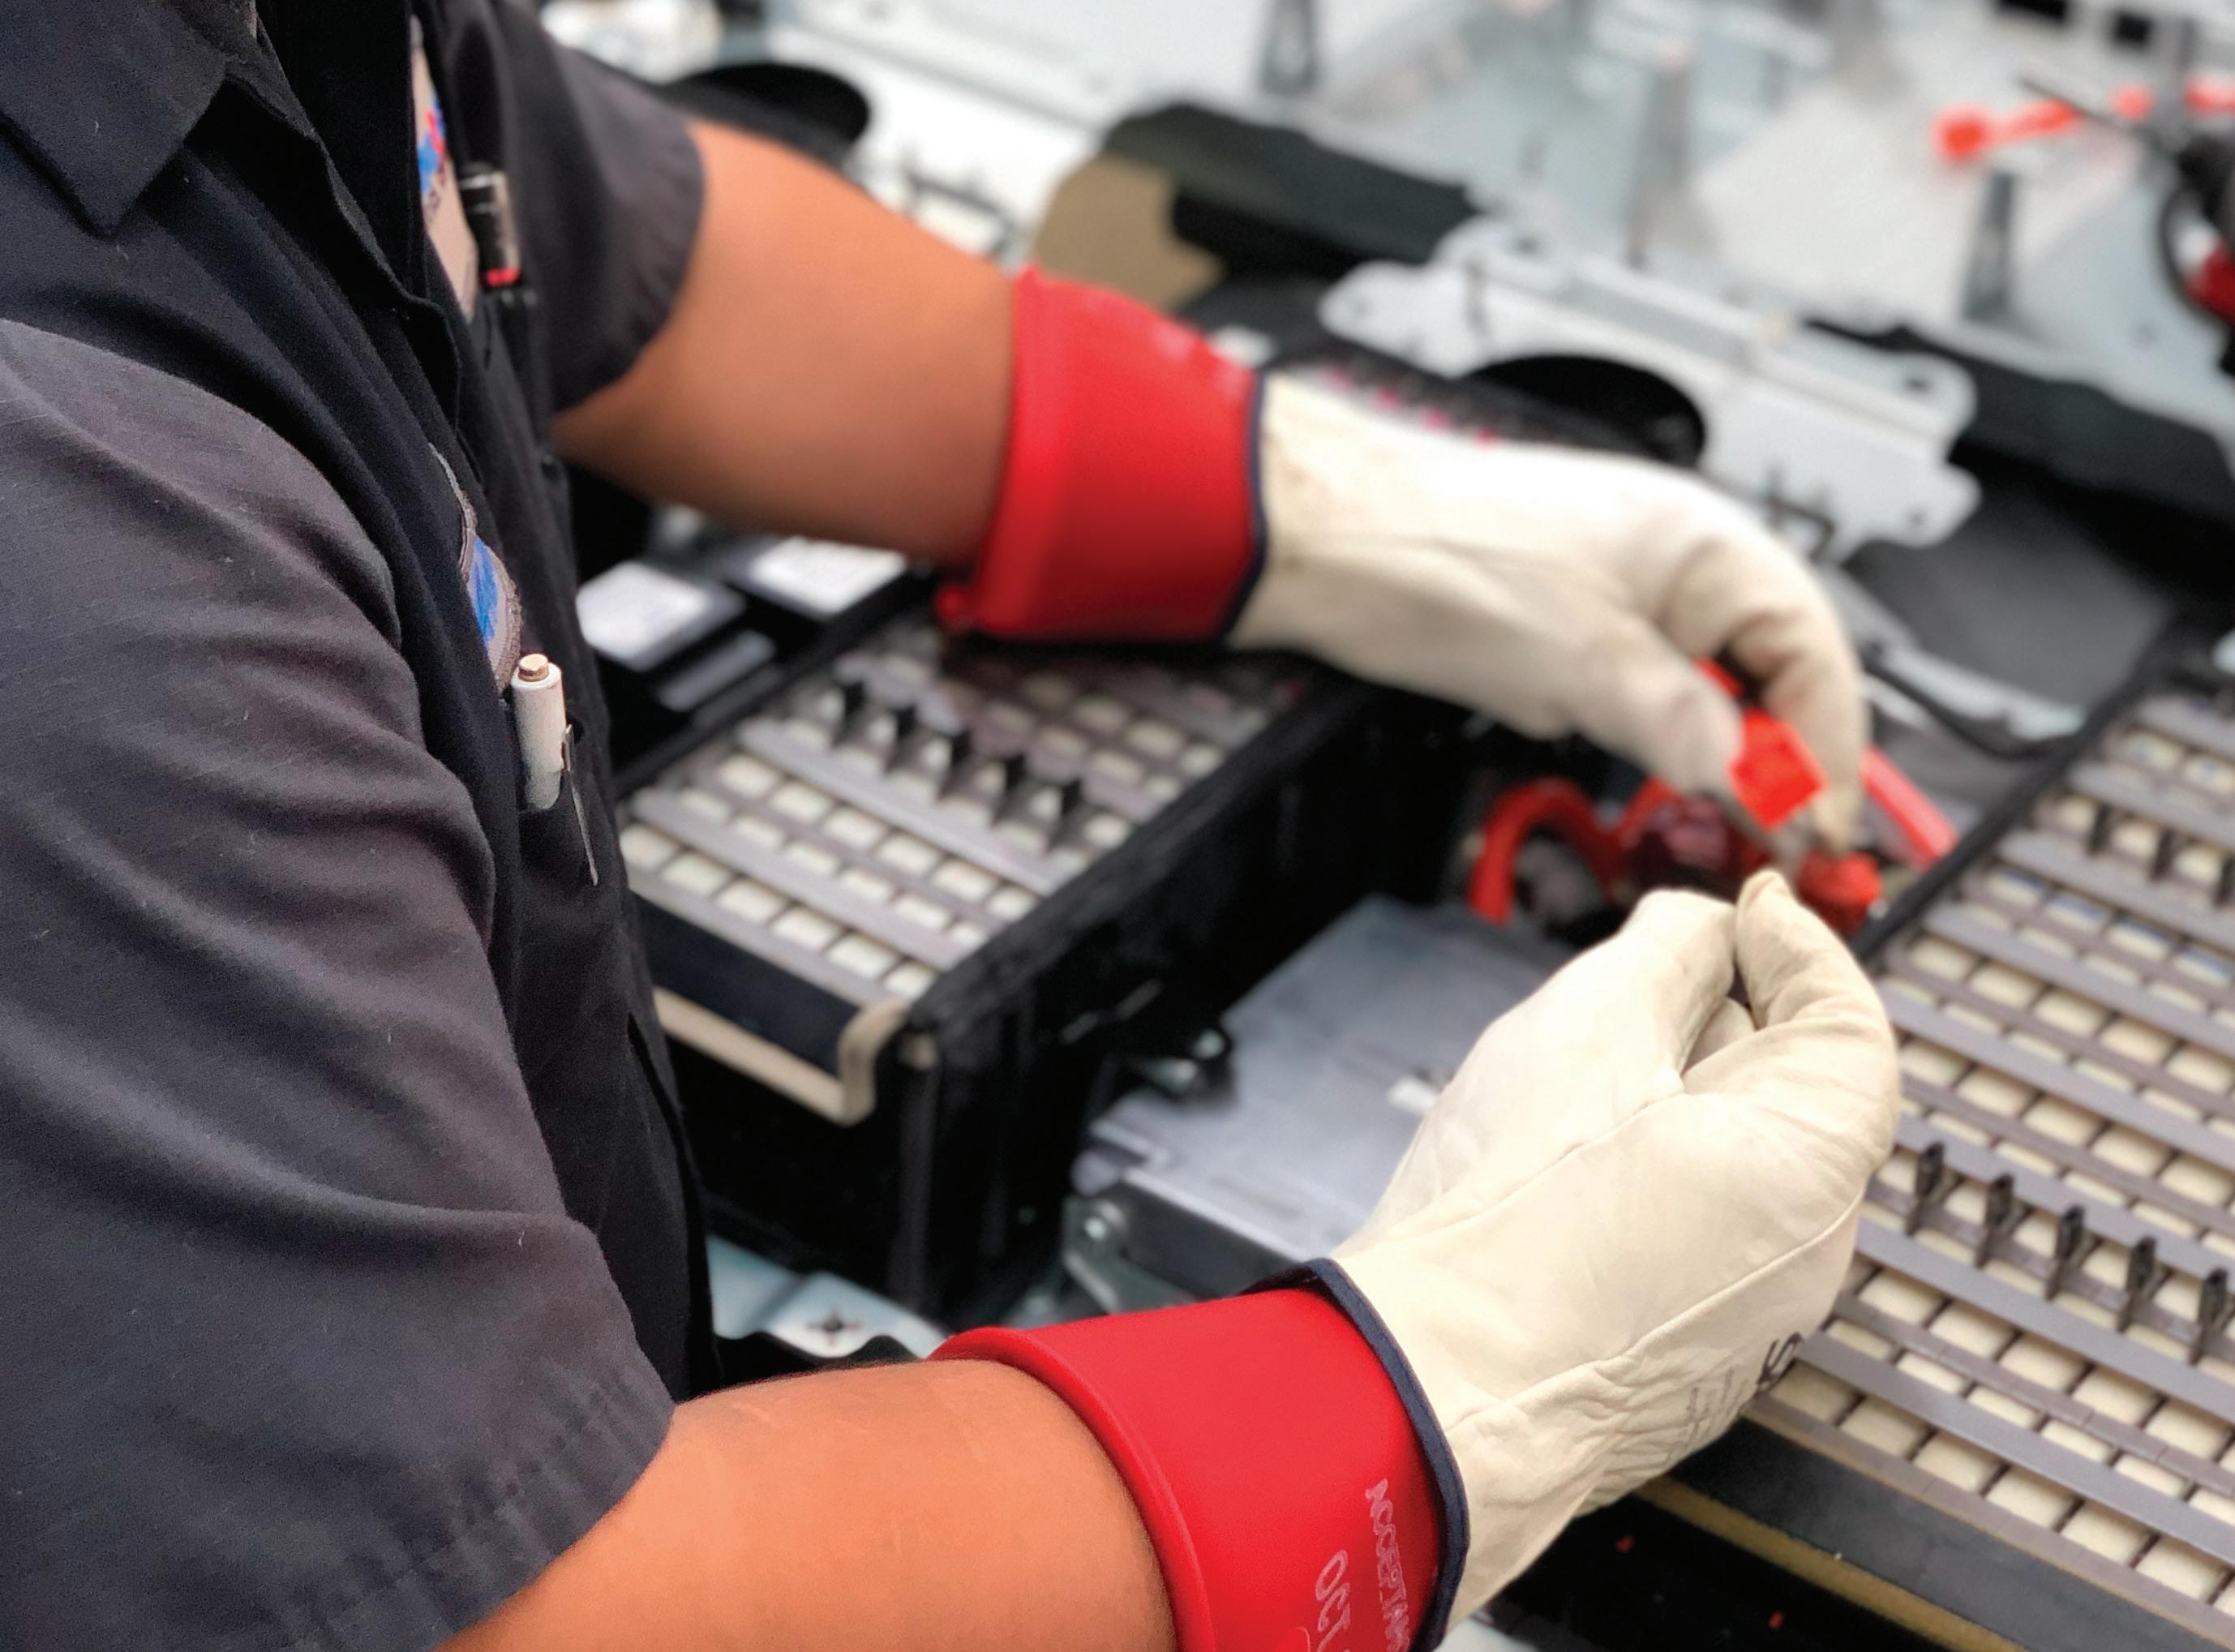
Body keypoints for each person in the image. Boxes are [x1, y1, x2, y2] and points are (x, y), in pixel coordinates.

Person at [0, 2, 1900, 1649]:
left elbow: (622, 248)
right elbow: (522, 1609)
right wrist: (1441, 1392)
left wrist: (1316, 502)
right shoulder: (62, 540)